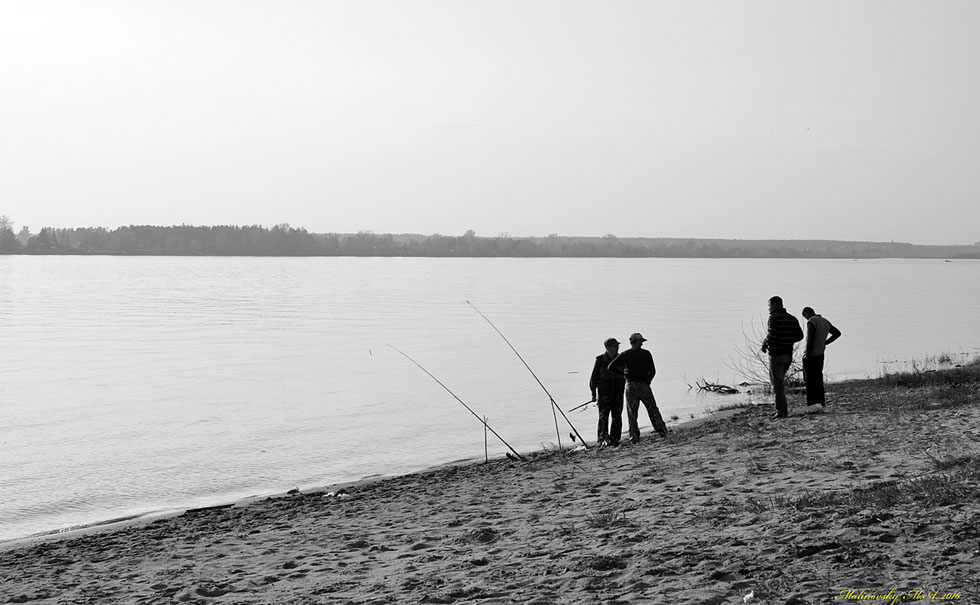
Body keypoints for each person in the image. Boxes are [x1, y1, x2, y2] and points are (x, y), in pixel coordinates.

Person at [608, 332, 668, 443]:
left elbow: (611, 367)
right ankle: (662, 431)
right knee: (652, 408)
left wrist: (624, 374)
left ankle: (634, 437)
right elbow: (653, 371)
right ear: (638, 342)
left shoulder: (626, 354)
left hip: (630, 385)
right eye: (641, 341)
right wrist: (648, 381)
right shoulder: (646, 354)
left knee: (632, 412)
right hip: (644, 385)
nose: (642, 344)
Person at [760, 296, 804, 419]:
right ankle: (781, 409)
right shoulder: (792, 318)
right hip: (788, 355)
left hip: (776, 355)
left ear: (775, 304)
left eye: (769, 305)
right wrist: (788, 341)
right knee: (780, 382)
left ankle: (781, 411)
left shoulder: (773, 318)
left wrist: (765, 344)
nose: (768, 308)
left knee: (777, 384)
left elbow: (772, 335)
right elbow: (800, 336)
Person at [801, 307, 842, 407]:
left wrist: (807, 353)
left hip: (812, 354)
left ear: (807, 313)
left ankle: (811, 404)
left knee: (809, 381)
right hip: (820, 354)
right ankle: (821, 402)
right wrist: (825, 342)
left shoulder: (811, 321)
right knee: (818, 379)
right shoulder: (825, 321)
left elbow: (810, 340)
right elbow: (837, 333)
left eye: (805, 316)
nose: (806, 319)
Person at [589, 337, 626, 446]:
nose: (617, 347)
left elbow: (626, 374)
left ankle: (615, 439)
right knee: (603, 417)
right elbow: (594, 378)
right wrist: (593, 393)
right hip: (604, 394)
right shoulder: (600, 360)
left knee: (617, 416)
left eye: (618, 345)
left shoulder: (620, 359)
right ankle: (602, 439)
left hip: (618, 393)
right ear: (608, 348)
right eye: (615, 346)